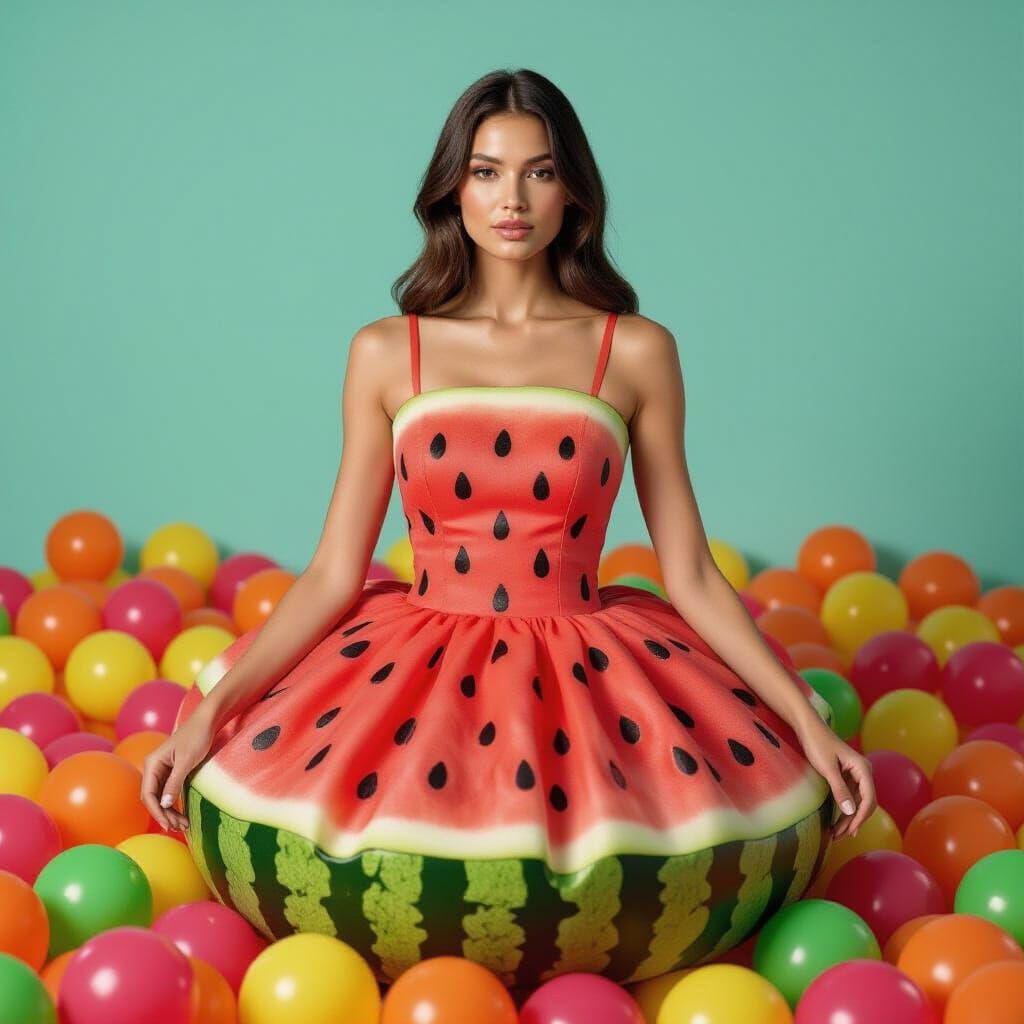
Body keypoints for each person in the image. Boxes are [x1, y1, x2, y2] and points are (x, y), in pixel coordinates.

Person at [141, 68, 875, 985]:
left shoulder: (635, 349)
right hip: (410, 662)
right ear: (454, 186)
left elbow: (687, 570)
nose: (513, 199)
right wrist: (210, 712)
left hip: (588, 663)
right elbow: (337, 570)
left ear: (575, 190)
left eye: (539, 172)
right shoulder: (386, 350)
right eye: (487, 172)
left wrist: (806, 723)